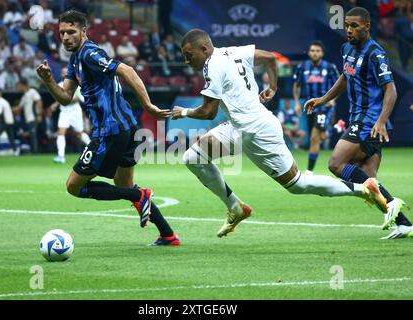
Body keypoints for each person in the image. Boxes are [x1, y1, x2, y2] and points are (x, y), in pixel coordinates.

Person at [171, 28, 400, 239]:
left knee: (297, 184)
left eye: (188, 54)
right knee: (194, 157)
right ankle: (235, 207)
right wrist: (273, 86)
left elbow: (209, 112)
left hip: (255, 132)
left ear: (203, 49)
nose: (186, 60)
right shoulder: (232, 51)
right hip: (240, 127)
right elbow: (270, 58)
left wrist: (183, 113)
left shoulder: (212, 65)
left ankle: (363, 189)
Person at [36, 9, 179, 246]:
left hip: (109, 132)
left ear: (84, 31)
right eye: (62, 32)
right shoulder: (75, 59)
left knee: (74, 186)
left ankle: (138, 196)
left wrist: (149, 105)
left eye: (71, 32)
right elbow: (65, 97)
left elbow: (127, 70)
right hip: (127, 128)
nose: (65, 37)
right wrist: (49, 80)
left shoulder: (90, 53)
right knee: (123, 185)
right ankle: (167, 234)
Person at [304, 7, 411, 239]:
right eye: (347, 26)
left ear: (367, 26)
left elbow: (390, 89)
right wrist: (323, 99)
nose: (349, 30)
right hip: (360, 120)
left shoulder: (376, 53)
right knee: (369, 184)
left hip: (369, 121)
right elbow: (345, 77)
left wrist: (382, 120)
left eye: (354, 26)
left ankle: (392, 204)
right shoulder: (346, 49)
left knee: (335, 164)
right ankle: (405, 224)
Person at [293, 41, 340, 175]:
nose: (315, 53)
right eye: (312, 50)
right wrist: (297, 103)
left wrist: (333, 100)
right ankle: (337, 128)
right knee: (322, 136)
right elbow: (296, 85)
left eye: (318, 51)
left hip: (324, 106)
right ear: (308, 52)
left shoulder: (330, 67)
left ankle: (309, 171)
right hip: (310, 107)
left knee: (314, 137)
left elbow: (340, 84)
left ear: (322, 53)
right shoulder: (302, 67)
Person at [50, 66, 91, 164]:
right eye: (63, 72)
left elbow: (79, 98)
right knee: (61, 132)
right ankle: (61, 156)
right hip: (64, 112)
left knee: (79, 134)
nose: (64, 74)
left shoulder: (75, 85)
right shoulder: (59, 85)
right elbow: (60, 98)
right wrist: (56, 104)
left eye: (66, 72)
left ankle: (93, 147)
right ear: (61, 74)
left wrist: (66, 100)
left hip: (75, 112)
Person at [14, 79, 43, 153]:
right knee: (31, 134)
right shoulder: (24, 96)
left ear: (23, 85)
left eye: (19, 86)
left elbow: (39, 101)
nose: (18, 88)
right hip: (29, 119)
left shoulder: (32, 91)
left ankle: (35, 152)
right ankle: (33, 151)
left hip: (33, 117)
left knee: (33, 135)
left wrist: (39, 114)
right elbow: (19, 108)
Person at [0, 90, 19, 155]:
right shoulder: (4, 101)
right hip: (10, 122)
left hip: (4, 122)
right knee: (11, 137)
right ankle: (15, 151)